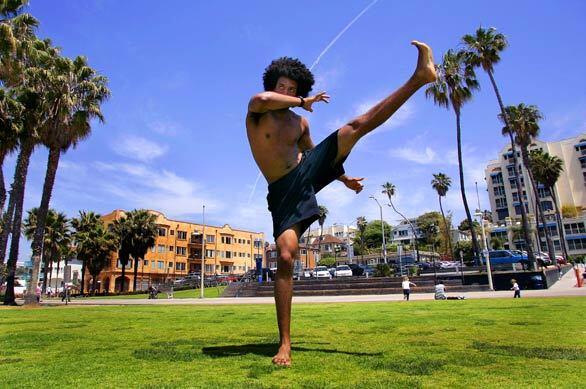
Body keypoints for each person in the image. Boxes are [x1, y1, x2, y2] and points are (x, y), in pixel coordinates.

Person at [246, 41, 436, 366]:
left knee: (355, 127)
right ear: (273, 85)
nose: (288, 92)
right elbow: (263, 99)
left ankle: (419, 77)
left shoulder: (300, 123)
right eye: (283, 87)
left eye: (293, 89)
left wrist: (343, 177)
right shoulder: (256, 111)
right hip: (282, 192)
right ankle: (285, 343)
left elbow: (315, 153)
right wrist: (304, 100)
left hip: (305, 173)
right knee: (288, 255)